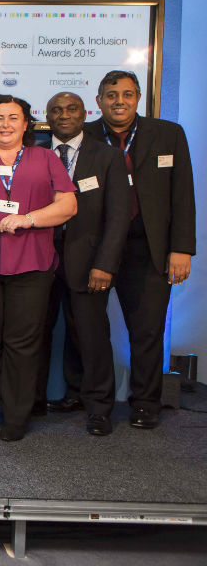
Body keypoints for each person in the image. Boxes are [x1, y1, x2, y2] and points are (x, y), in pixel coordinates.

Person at [0, 95, 77, 441]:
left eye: (13, 118)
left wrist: (29, 218)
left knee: (23, 344)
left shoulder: (45, 158)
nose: (5, 124)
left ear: (26, 124)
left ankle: (16, 418)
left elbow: (68, 205)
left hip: (32, 265)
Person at [83, 70, 195, 429]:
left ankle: (146, 402)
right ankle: (96, 404)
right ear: (98, 100)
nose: (120, 101)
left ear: (138, 98)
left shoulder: (168, 134)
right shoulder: (83, 136)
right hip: (94, 250)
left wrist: (181, 248)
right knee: (90, 332)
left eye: (128, 94)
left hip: (149, 250)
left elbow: (182, 194)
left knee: (147, 331)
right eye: (111, 95)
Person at [35, 92, 131, 436]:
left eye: (71, 109)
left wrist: (105, 264)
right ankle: (34, 401)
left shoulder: (108, 157)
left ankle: (99, 408)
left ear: (84, 113)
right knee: (36, 334)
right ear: (46, 115)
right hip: (39, 260)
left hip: (88, 260)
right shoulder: (33, 153)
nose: (64, 115)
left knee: (90, 335)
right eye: (56, 110)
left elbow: (119, 217)